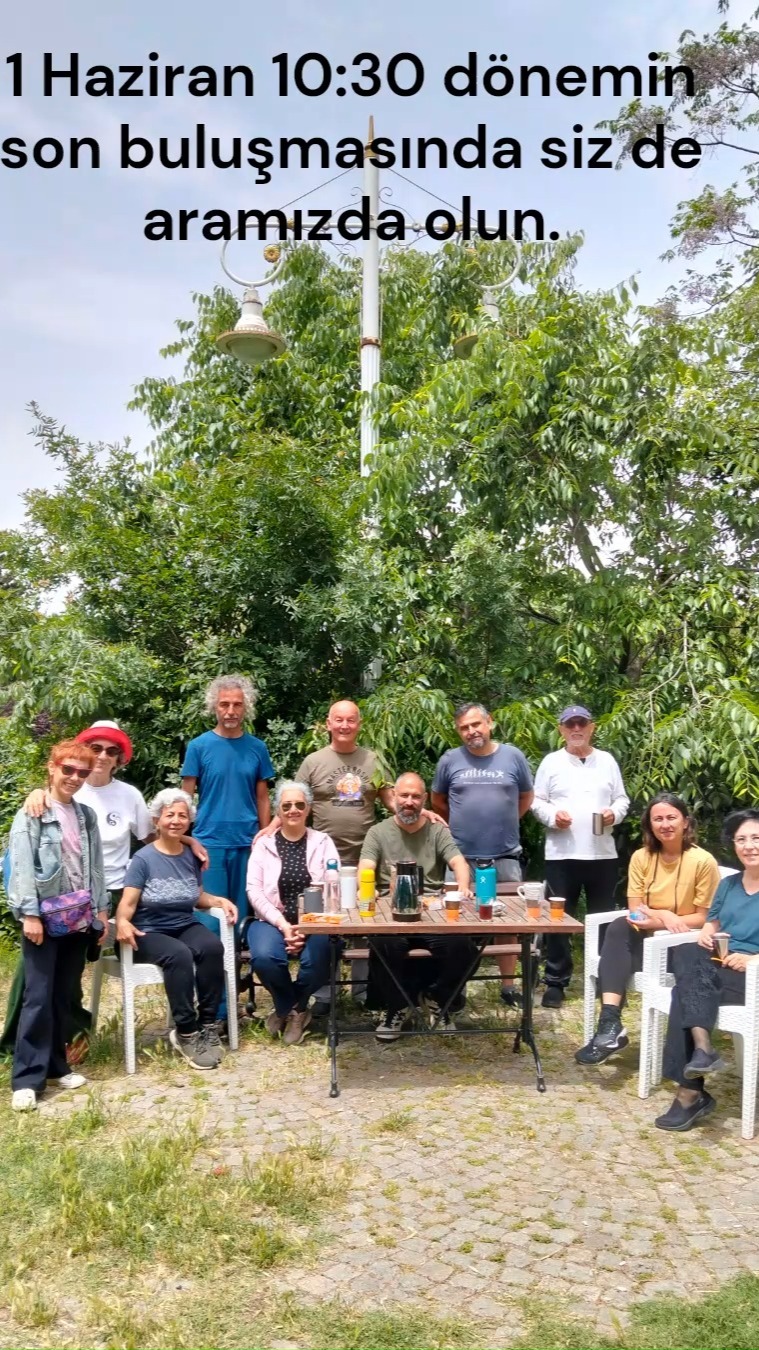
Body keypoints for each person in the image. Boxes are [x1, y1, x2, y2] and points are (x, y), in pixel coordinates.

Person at [1, 719, 207, 1060]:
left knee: (71, 967)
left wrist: (185, 837)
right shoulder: (69, 785)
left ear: (120, 758)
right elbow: (41, 814)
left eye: (111, 750)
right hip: (62, 897)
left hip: (116, 895)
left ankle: (71, 1036)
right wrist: (35, 792)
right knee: (35, 969)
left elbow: (153, 839)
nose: (102, 755)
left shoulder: (130, 795)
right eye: (95, 748)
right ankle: (21, 1041)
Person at [575, 793, 720, 1066]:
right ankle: (610, 1024)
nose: (665, 824)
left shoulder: (702, 861)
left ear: (685, 822)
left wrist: (661, 919)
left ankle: (610, 1028)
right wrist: (663, 915)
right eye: (658, 819)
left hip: (681, 944)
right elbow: (634, 910)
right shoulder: (642, 857)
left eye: (671, 817)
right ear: (650, 825)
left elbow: (703, 917)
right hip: (646, 938)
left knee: (624, 931)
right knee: (619, 927)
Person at [8, 739, 108, 1112]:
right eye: (67, 769)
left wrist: (101, 910)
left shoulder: (86, 817)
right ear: (52, 768)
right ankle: (26, 1079)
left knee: (63, 994)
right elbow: (20, 866)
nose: (74, 777)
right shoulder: (33, 812)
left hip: (78, 917)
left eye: (82, 772)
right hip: (43, 919)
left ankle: (56, 1065)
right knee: (37, 996)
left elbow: (95, 865)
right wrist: (29, 914)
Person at [116, 789, 237, 1071]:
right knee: (179, 955)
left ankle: (208, 1024)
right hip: (148, 931)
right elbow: (128, 903)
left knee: (211, 947)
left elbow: (197, 897)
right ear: (157, 820)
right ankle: (186, 1032)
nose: (176, 820)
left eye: (182, 815)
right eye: (169, 815)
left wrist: (219, 901)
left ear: (189, 822)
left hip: (183, 923)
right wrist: (122, 921)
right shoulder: (143, 859)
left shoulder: (190, 856)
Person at [654, 809, 759, 1131]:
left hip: (753, 974)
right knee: (688, 954)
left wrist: (753, 960)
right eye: (741, 839)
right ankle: (703, 1050)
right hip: (720, 964)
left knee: (682, 991)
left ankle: (691, 1091)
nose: (748, 845)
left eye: (756, 838)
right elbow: (712, 922)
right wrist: (706, 933)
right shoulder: (728, 885)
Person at [431, 703, 533, 1008]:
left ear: (490, 723)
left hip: (506, 856)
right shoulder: (450, 759)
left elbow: (527, 795)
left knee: (508, 924)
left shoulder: (513, 756)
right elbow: (437, 799)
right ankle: (452, 988)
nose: (471, 731)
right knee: (454, 925)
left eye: (476, 724)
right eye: (464, 727)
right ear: (458, 731)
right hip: (461, 858)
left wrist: (507, 821)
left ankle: (508, 987)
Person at [359, 772, 476, 1040]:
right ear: (394, 797)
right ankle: (398, 1006)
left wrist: (463, 887)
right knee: (384, 945)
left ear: (424, 799)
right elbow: (366, 866)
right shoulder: (378, 832)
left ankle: (439, 998)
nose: (409, 802)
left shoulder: (436, 830)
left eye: (415, 796)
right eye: (404, 795)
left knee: (464, 947)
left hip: (432, 911)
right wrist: (367, 887)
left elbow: (458, 862)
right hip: (392, 913)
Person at [532, 704, 629, 1008]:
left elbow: (622, 798)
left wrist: (615, 812)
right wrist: (551, 815)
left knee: (604, 920)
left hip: (602, 854)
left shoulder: (607, 761)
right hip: (562, 854)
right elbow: (536, 801)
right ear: (560, 729)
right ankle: (556, 983)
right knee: (559, 921)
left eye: (581, 723)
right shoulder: (551, 762)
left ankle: (607, 981)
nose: (576, 729)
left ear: (592, 727)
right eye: (570, 724)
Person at [246, 780, 339, 1045]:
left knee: (320, 956)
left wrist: (306, 925)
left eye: (299, 804)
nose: (293, 810)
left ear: (308, 808)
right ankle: (295, 1009)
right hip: (271, 920)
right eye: (287, 805)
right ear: (278, 810)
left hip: (316, 920)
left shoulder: (323, 842)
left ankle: (289, 1010)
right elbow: (254, 891)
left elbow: (332, 889)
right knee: (264, 957)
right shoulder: (264, 845)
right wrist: (284, 925)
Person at [181, 675, 275, 926]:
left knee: (244, 914)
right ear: (215, 707)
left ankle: (239, 964)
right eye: (224, 704)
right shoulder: (198, 746)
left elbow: (263, 797)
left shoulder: (257, 748)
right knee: (213, 918)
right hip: (209, 843)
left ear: (246, 707)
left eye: (237, 704)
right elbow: (184, 798)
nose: (231, 711)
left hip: (247, 842)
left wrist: (264, 836)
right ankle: (213, 965)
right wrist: (185, 837)